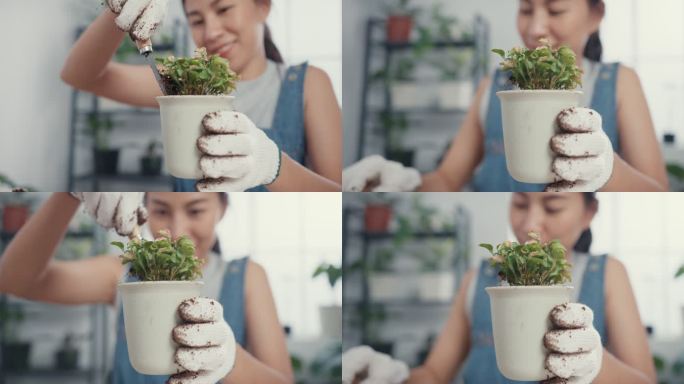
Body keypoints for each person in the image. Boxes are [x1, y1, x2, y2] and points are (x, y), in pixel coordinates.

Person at [343, 0, 668, 192]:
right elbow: (447, 177)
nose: (536, 27)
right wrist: (402, 183)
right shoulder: (494, 84)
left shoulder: (619, 82)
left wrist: (608, 170)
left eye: (555, 10)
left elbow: (659, 193)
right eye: (526, 9)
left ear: (596, 15)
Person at [343, 192, 657, 384]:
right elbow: (435, 374)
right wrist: (389, 377)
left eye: (553, 207)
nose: (531, 225)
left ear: (589, 212)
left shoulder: (607, 275)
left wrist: (591, 360)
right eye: (520, 203)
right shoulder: (477, 278)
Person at [0, 192, 294, 384]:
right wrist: (68, 196)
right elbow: (15, 279)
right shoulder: (122, 272)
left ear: (222, 208)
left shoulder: (246, 276)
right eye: (161, 211)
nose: (177, 232)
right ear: (145, 210)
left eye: (195, 211)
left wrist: (229, 360)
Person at [61, 0, 341, 192]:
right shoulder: (179, 80)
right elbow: (78, 75)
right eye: (196, 20)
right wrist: (119, 11)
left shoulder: (308, 84)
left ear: (262, 6)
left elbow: (335, 194)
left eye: (224, 9)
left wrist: (273, 166)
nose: (212, 32)